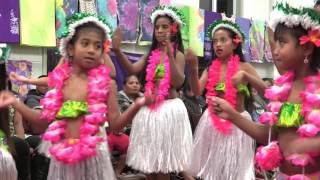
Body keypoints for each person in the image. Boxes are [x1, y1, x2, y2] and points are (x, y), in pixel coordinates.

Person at [0, 13, 152, 180]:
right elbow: (43, 122)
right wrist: (16, 102)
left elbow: (115, 125)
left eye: (97, 46)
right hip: (64, 160)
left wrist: (138, 104)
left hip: (94, 159)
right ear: (71, 48)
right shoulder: (61, 82)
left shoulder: (107, 85)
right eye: (85, 43)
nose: (91, 50)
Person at [210, 1, 320, 179]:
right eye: (274, 43)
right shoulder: (284, 89)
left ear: (306, 47)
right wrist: (231, 114)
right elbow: (268, 135)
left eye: (282, 43)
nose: (275, 51)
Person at [112, 5, 193, 180]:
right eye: (157, 27)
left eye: (164, 27)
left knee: (162, 166)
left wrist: (169, 54)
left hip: (169, 110)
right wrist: (117, 50)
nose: (160, 30)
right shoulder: (151, 54)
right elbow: (132, 68)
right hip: (150, 109)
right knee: (150, 164)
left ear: (174, 29)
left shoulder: (178, 55)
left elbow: (178, 82)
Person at [185, 13, 266, 180]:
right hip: (212, 123)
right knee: (212, 172)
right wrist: (193, 69)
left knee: (234, 172)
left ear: (235, 43)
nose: (218, 45)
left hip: (237, 125)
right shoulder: (210, 68)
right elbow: (196, 91)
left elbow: (267, 92)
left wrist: (248, 77)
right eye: (215, 41)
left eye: (223, 40)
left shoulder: (245, 67)